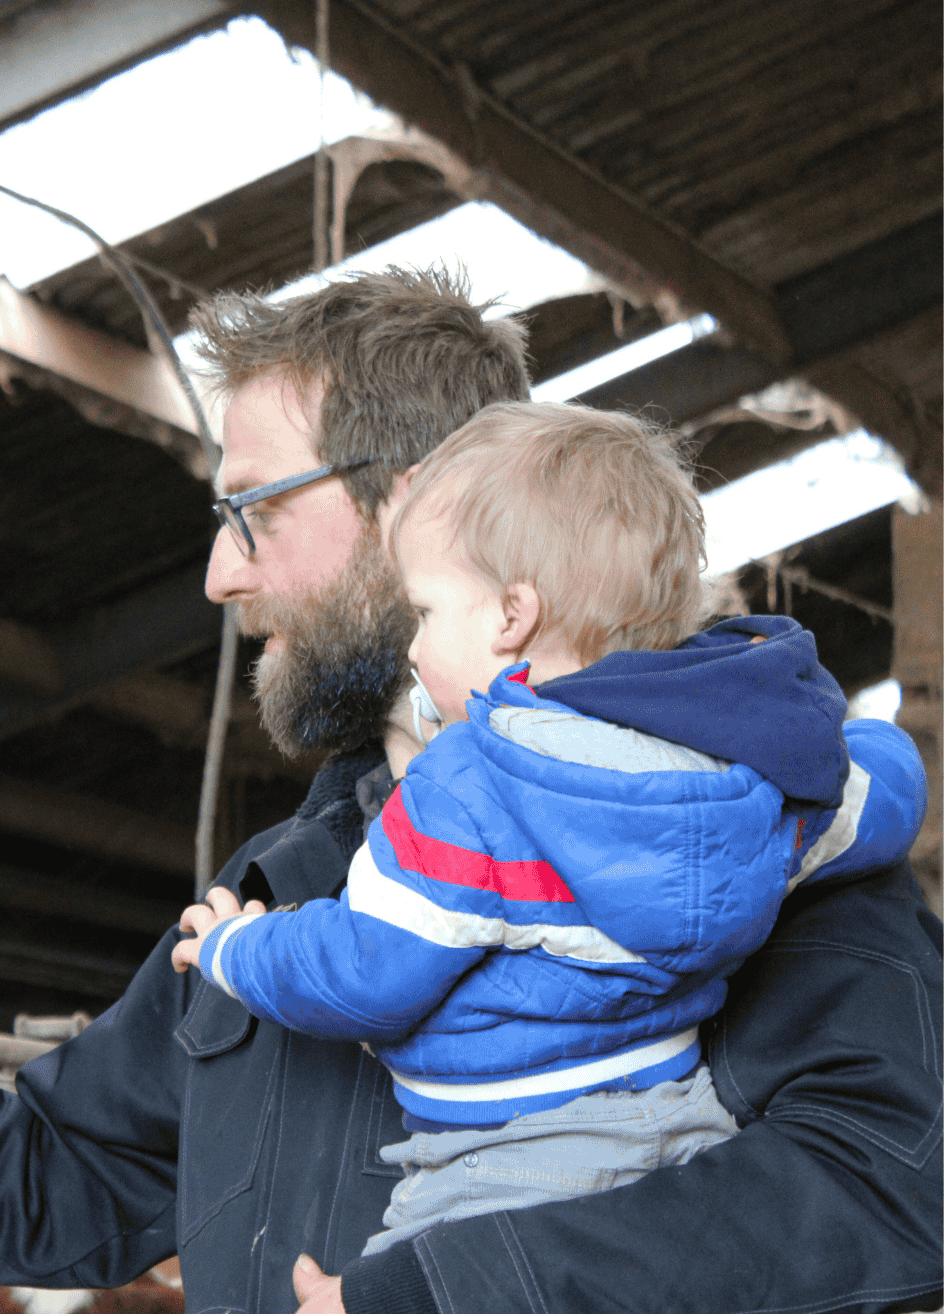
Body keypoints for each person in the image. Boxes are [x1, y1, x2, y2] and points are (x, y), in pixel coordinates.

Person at [0, 268, 942, 1314]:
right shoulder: (292, 881)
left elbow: (889, 1183)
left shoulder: (739, 815)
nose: (220, 576)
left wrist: (442, 1304)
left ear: (417, 498)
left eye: (252, 510)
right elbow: (39, 1177)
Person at [171, 401, 927, 1256]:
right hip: (677, 1133)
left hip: (490, 1168)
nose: (412, 650)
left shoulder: (465, 790)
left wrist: (240, 948)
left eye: (425, 613)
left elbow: (365, 970)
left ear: (511, 615)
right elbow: (877, 800)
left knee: (378, 1310)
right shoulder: (736, 774)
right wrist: (862, 748)